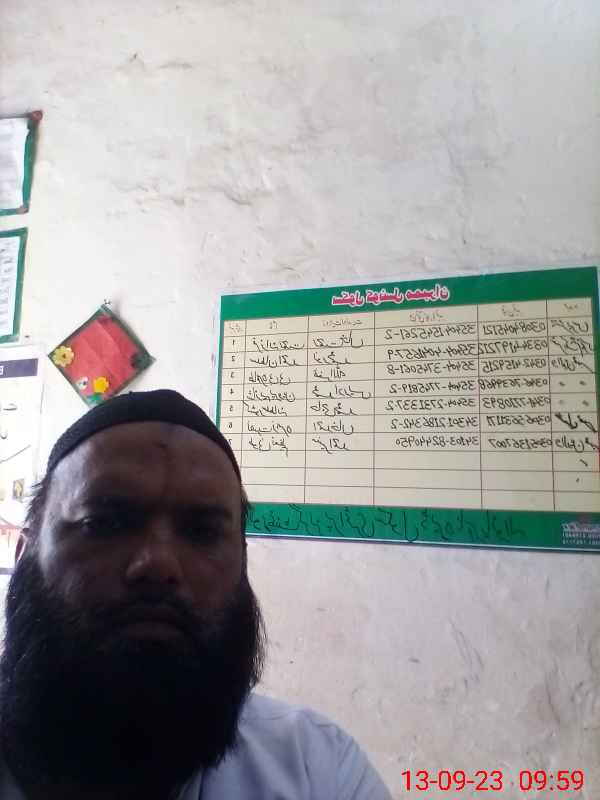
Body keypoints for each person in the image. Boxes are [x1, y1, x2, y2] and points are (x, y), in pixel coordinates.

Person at [0, 389, 392, 800]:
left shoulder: (318, 767)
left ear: (242, 563)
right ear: (25, 553)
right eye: (105, 523)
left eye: (202, 532)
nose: (158, 564)